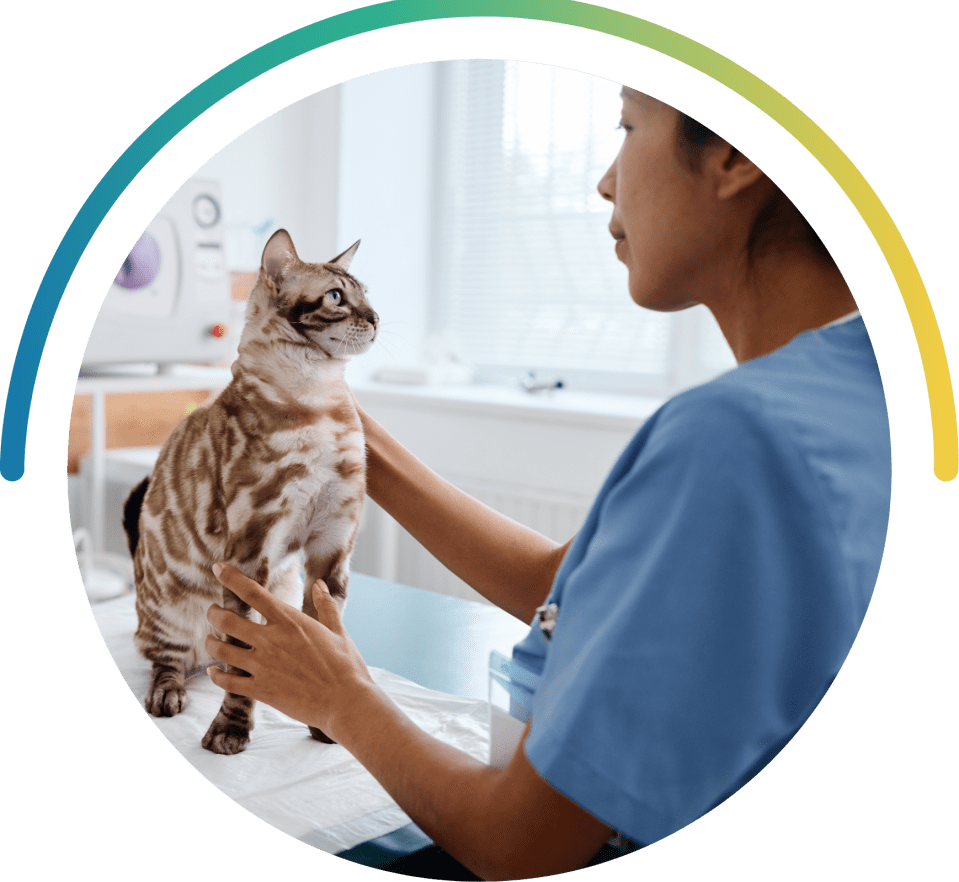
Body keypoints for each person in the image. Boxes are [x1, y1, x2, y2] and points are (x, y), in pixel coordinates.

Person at [204, 87, 891, 880]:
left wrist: (337, 695)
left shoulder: (734, 439)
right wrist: (343, 432)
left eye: (628, 126)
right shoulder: (870, 392)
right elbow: (566, 585)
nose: (605, 182)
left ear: (737, 154)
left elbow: (519, 844)